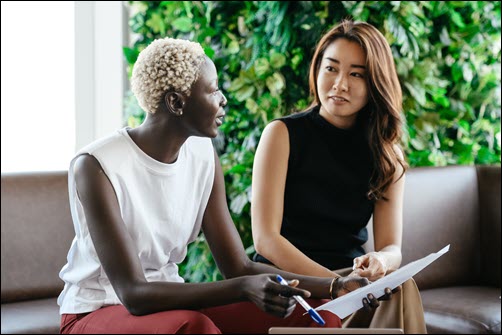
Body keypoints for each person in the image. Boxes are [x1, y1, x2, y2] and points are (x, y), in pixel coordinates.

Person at [57, 37, 385, 334]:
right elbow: (134, 294)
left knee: (316, 316)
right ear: (176, 103)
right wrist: (244, 288)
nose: (223, 98)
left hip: (169, 305)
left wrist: (334, 286)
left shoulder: (202, 153)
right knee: (194, 327)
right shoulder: (97, 166)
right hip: (95, 311)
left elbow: (237, 266)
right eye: (212, 90)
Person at [251, 20, 427, 333]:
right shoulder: (282, 134)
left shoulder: (387, 156)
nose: (339, 84)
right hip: (290, 284)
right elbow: (266, 239)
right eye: (331, 68)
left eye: (356, 74)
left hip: (349, 283)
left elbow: (391, 249)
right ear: (317, 70)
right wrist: (336, 285)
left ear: (375, 82)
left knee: (400, 287)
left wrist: (380, 262)